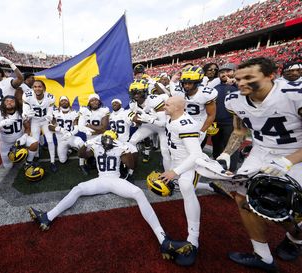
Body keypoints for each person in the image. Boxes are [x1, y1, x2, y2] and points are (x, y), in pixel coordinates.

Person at [28, 130, 193, 263]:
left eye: (110, 139)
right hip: (101, 179)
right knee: (78, 189)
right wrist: (86, 145)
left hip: (115, 180)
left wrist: (124, 150)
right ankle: (47, 217)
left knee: (138, 192)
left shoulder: (120, 147)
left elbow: (131, 165)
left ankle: (163, 239)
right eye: (105, 138)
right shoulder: (96, 145)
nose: (107, 141)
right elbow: (82, 155)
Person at [216, 57, 302, 272]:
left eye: (249, 78)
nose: (241, 82)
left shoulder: (294, 95)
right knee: (242, 197)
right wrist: (226, 154)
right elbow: (239, 131)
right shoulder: (234, 99)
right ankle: (263, 256)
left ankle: (296, 236)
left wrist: (287, 161)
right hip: (261, 151)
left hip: (296, 152)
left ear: (271, 75)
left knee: (283, 202)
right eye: (238, 78)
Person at [160, 96, 204, 266]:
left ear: (178, 107)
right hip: (176, 160)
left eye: (168, 104)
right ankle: (209, 186)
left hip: (190, 164)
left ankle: (193, 239)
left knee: (186, 187)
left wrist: (175, 172)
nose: (164, 106)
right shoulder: (171, 118)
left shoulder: (186, 124)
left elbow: (196, 155)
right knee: (173, 186)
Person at [0, 95, 38, 169]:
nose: (9, 103)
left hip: (20, 141)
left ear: (16, 104)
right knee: (8, 167)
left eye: (12, 101)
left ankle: (28, 162)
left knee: (34, 143)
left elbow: (27, 128)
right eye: (7, 101)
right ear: (3, 103)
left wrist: (24, 137)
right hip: (6, 144)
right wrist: (1, 124)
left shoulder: (21, 113)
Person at [128, 79, 170, 170]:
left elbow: (164, 124)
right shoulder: (132, 103)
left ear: (145, 92)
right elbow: (136, 118)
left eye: (138, 92)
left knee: (165, 151)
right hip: (148, 125)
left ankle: (168, 172)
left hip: (162, 127)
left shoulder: (154, 100)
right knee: (132, 141)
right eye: (133, 93)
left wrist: (151, 120)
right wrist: (136, 121)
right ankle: (131, 165)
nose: (136, 95)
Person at [22, 79, 57, 172]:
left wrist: (50, 117)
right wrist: (26, 115)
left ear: (44, 88)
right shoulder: (27, 96)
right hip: (35, 121)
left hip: (45, 120)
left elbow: (50, 111)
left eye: (39, 86)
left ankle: (52, 161)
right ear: (32, 88)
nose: (37, 88)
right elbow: (25, 111)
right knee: (35, 140)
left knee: (50, 140)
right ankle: (36, 157)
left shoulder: (50, 97)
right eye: (35, 86)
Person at [48, 96, 88, 175]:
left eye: (65, 100)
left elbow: (77, 127)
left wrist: (70, 133)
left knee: (82, 144)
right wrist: (60, 129)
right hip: (61, 140)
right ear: (59, 103)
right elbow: (49, 127)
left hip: (71, 137)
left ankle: (82, 164)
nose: (64, 102)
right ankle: (70, 150)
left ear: (69, 102)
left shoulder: (74, 113)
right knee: (62, 161)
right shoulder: (55, 113)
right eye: (62, 101)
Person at [211, 63, 239, 172]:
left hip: (232, 122)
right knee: (217, 145)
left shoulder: (241, 85)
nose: (224, 74)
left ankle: (231, 170)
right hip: (216, 122)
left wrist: (237, 84)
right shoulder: (215, 88)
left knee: (232, 146)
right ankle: (217, 167)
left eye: (228, 71)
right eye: (222, 72)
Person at [109, 98, 137, 181]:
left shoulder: (126, 112)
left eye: (116, 103)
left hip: (124, 142)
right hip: (114, 141)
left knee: (135, 152)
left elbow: (134, 123)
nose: (114, 104)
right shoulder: (110, 115)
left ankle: (130, 171)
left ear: (121, 105)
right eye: (113, 103)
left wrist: (133, 122)